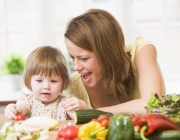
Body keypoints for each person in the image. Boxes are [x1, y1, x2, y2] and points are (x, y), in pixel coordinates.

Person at [61, 8, 166, 115]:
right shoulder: (73, 87)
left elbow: (152, 106)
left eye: (83, 58)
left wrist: (90, 113)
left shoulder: (141, 52)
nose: (76, 67)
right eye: (72, 57)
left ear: (107, 54)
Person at [4, 46, 88, 121]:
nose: (46, 86)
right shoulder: (28, 102)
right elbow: (19, 109)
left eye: (53, 81)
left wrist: (82, 106)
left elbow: (79, 118)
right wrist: (12, 109)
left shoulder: (65, 103)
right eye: (39, 81)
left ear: (63, 82)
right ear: (29, 81)